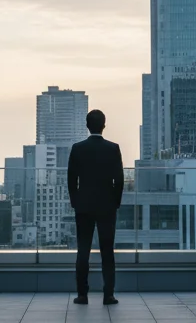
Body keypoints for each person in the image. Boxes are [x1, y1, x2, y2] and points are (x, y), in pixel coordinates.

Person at [67, 108, 124, 306]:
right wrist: (115, 202)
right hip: (107, 206)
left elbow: (71, 180)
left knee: (83, 251)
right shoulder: (113, 148)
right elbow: (119, 180)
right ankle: (108, 295)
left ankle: (82, 294)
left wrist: (75, 202)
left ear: (87, 125)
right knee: (107, 252)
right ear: (104, 125)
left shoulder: (77, 148)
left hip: (83, 206)